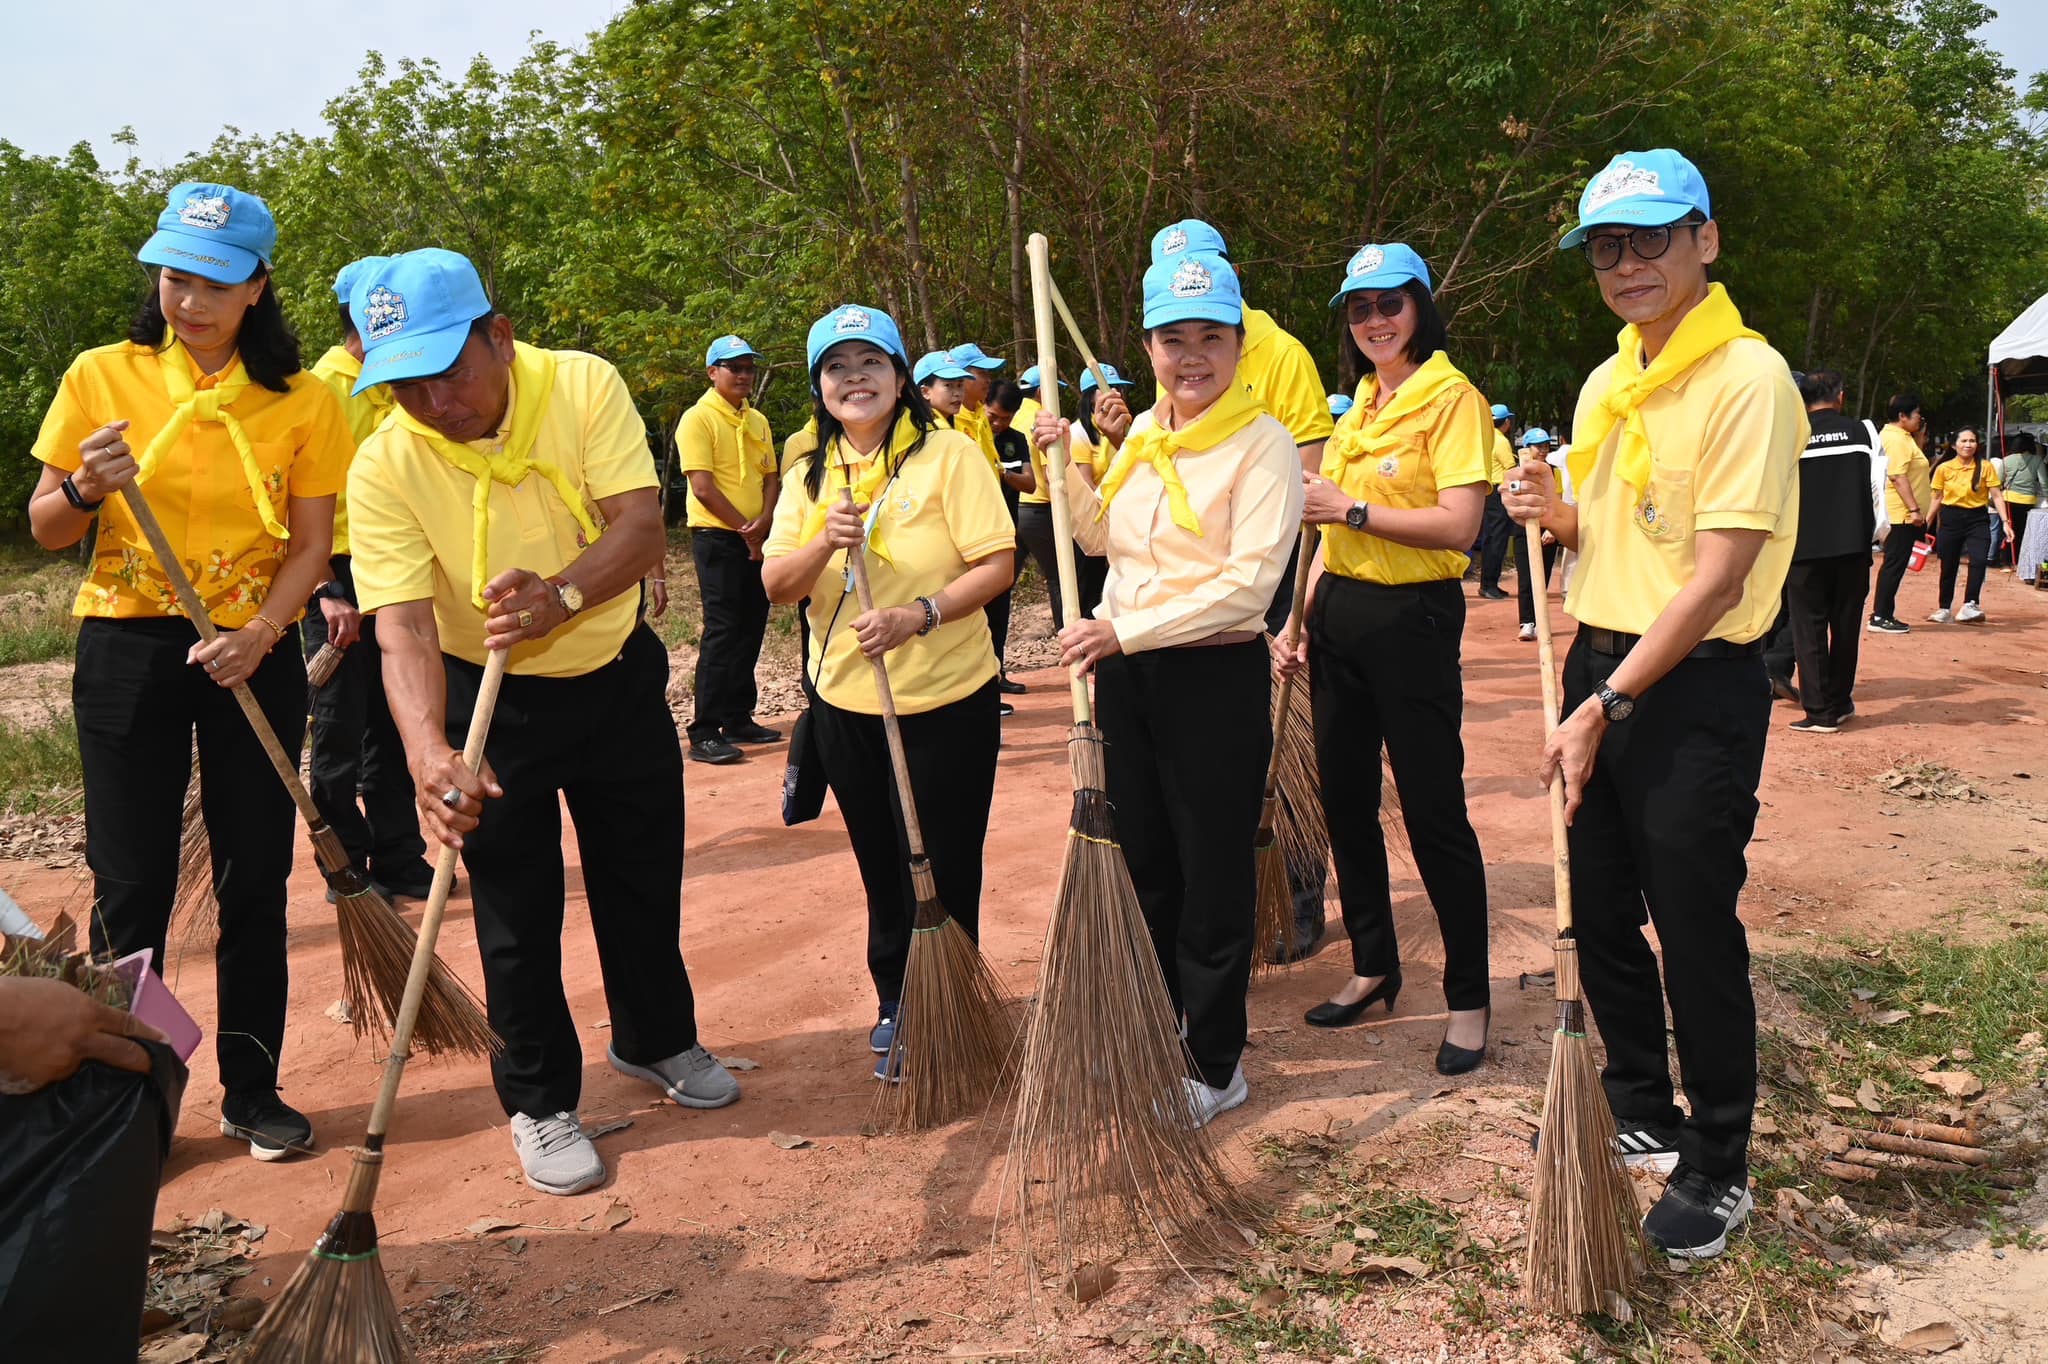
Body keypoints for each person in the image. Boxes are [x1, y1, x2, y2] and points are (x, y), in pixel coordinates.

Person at [345, 248, 738, 1197]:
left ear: (500, 336)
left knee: (640, 875)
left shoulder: (580, 385)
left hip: (612, 672)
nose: (435, 402)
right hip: (490, 699)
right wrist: (429, 754)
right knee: (515, 912)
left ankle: (655, 1038)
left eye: (451, 371)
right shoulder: (384, 461)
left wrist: (559, 597)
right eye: (405, 386)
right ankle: (538, 1098)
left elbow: (638, 527)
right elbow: (401, 627)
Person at [1502, 149, 1805, 1259]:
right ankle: (1638, 1097)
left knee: (1691, 919)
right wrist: (1549, 510)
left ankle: (1718, 1161)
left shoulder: (1748, 381)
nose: (1627, 264)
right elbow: (1606, 529)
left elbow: (1717, 578)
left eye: (1650, 239)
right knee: (1593, 897)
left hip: (1690, 684)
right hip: (1600, 658)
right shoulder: (1605, 381)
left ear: (1704, 240)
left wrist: (1606, 706)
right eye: (1605, 248)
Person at [28, 182, 349, 1161]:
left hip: (252, 650)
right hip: (128, 648)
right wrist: (86, 486)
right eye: (175, 278)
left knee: (255, 875)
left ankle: (253, 1090)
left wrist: (262, 632)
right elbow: (48, 527)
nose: (191, 300)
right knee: (131, 881)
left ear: (258, 286)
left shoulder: (306, 398)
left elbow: (312, 544)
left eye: (214, 282)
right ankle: (134, 1102)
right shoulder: (101, 374)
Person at [1031, 250, 1303, 1125]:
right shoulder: (1146, 434)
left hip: (1210, 677)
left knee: (1211, 870)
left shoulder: (1264, 445)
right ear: (1147, 348)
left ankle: (1215, 1061)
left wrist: (1124, 632)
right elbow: (1104, 539)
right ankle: (1155, 1026)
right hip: (1128, 675)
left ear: (1239, 345)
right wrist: (1062, 467)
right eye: (1173, 339)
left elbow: (1248, 588)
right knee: (1145, 860)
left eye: (1211, 338)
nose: (1192, 358)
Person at [762, 305, 1015, 1081]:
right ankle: (897, 998)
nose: (855, 378)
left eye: (871, 361)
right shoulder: (809, 474)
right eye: (837, 367)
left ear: (900, 377)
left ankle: (953, 1004)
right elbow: (777, 585)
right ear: (820, 388)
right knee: (881, 862)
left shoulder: (949, 457)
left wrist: (919, 614)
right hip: (847, 706)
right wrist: (822, 541)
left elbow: (997, 564)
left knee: (949, 860)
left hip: (949, 700)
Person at [1278, 242, 1492, 1075]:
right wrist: (1298, 621)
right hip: (1339, 615)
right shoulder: (1361, 404)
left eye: (1389, 304)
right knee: (1344, 800)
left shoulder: (1452, 398)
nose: (1374, 321)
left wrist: (1354, 509)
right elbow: (1325, 537)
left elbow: (1460, 527)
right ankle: (1374, 965)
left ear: (1420, 308)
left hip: (1413, 620)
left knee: (1434, 810)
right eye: (1360, 309)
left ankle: (1468, 1000)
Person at [1149, 220, 1334, 963]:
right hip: (1188, 589)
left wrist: (1295, 602)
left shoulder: (1280, 353)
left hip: (1267, 572)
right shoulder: (1176, 354)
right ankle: (1228, 906)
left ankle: (1300, 892)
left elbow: (1310, 471)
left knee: (1286, 740)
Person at [301, 256, 436, 904]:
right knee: (338, 728)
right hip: (336, 575)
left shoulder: (395, 384)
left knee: (393, 719)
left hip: (395, 569)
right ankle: (346, 866)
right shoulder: (321, 390)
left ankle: (402, 857)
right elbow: (293, 506)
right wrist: (325, 589)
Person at [678, 333, 780, 765]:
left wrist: (766, 520)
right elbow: (702, 486)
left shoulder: (757, 420)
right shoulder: (697, 419)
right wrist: (745, 529)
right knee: (722, 629)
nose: (743, 375)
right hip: (718, 538)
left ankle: (738, 717)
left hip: (758, 535)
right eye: (734, 367)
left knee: (752, 624)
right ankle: (704, 730)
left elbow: (771, 477)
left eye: (748, 368)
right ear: (712, 372)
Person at [1782, 370, 1877, 733]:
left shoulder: (1792, 435)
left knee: (1809, 629)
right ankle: (1840, 703)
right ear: (1840, 396)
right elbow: (1877, 490)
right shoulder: (1862, 433)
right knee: (1846, 627)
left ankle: (1820, 713)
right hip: (1853, 546)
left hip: (1804, 549)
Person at [950, 344, 1028, 696]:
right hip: (967, 532)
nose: (987, 381)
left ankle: (993, 676)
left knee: (997, 607)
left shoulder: (977, 418)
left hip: (993, 527)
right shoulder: (949, 423)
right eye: (980, 374)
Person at [1927, 427, 2008, 624]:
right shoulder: (1944, 468)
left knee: (1979, 560)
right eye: (1963, 441)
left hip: (1978, 518)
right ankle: (1944, 608)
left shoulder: (1985, 467)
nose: (1968, 445)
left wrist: (2006, 522)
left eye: (1972, 441)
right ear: (1954, 445)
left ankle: (1970, 604)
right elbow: (1937, 497)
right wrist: (1926, 523)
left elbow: (1996, 495)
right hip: (1951, 518)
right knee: (1949, 564)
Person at [1868, 390, 1931, 634]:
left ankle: (1884, 613)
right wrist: (1914, 509)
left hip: (1902, 513)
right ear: (1902, 416)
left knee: (1896, 563)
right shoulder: (1895, 439)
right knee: (1894, 564)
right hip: (1900, 514)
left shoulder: (1903, 437)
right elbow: (1897, 475)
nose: (1920, 419)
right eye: (1917, 415)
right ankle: (1880, 615)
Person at [1513, 428, 1564, 643]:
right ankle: (1527, 622)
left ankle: (1539, 619)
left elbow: (1558, 500)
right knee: (1526, 577)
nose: (1543, 450)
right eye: (1538, 446)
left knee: (1543, 576)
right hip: (1524, 529)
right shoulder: (1516, 472)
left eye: (1545, 446)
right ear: (1527, 448)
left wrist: (1552, 529)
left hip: (1547, 528)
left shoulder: (1554, 472)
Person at [1476, 403, 1518, 599]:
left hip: (1488, 491)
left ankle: (1488, 583)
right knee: (1497, 539)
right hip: (1499, 493)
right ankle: (1489, 585)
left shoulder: (1484, 438)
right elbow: (1510, 469)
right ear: (1506, 422)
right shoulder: (1501, 441)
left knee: (1490, 538)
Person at [2004, 432, 2046, 575]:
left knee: (2008, 529)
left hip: (2008, 499)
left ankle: (2006, 561)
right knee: (2022, 531)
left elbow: (1998, 480)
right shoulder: (2037, 460)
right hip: (2027, 500)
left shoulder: (2006, 460)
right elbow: (2043, 482)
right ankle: (2019, 561)